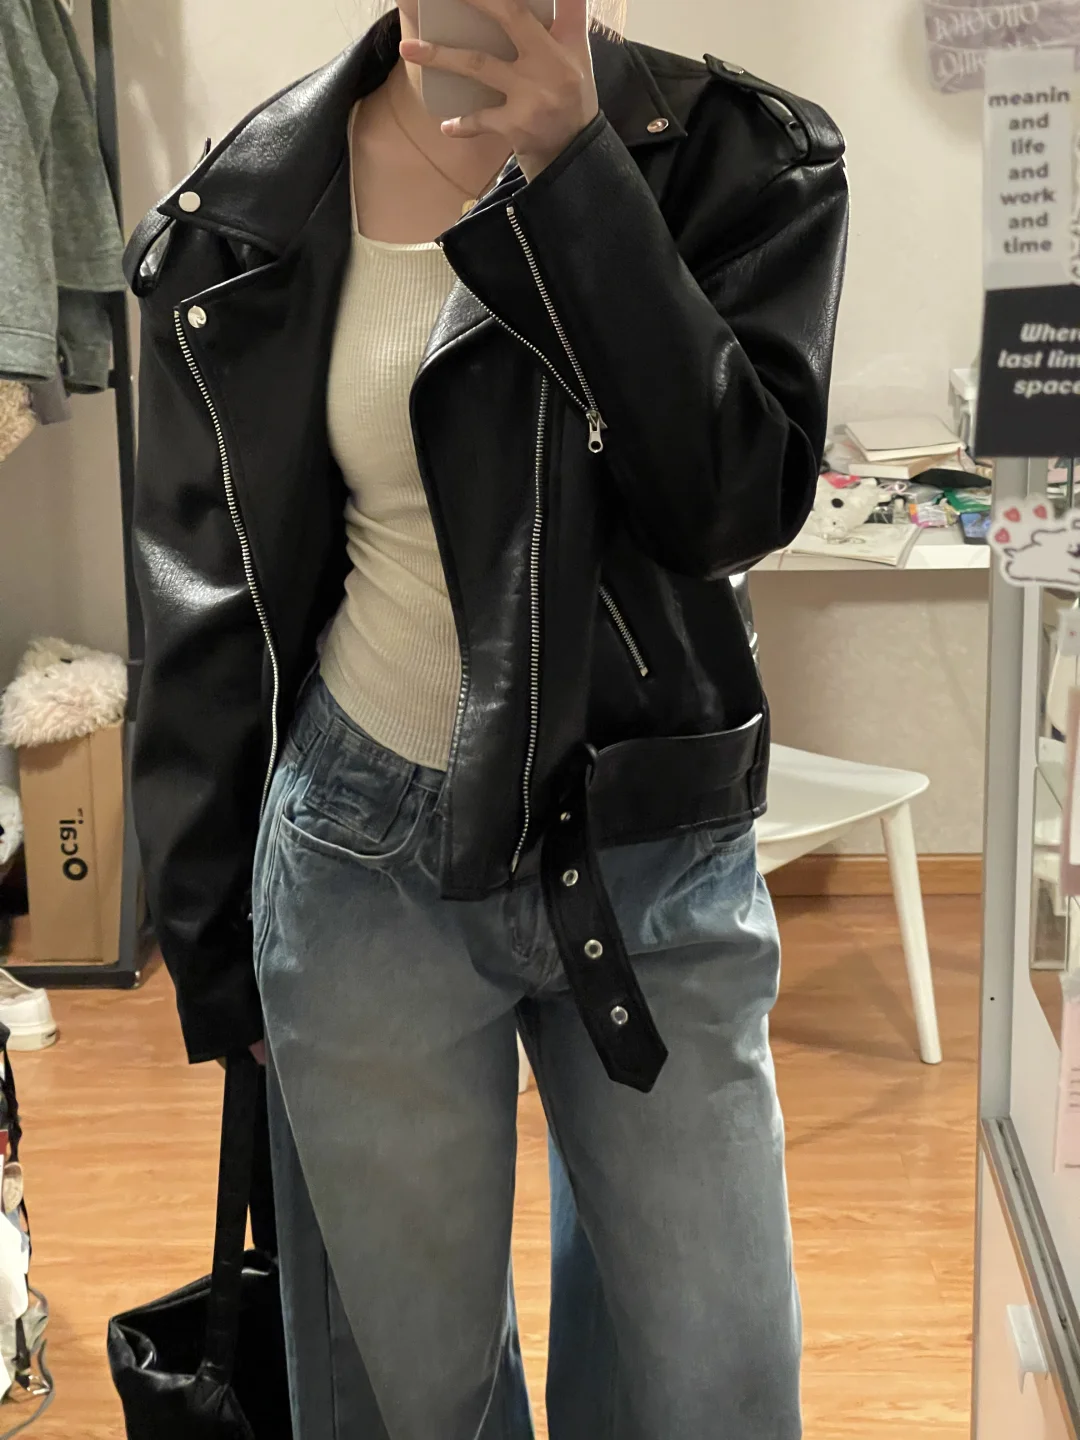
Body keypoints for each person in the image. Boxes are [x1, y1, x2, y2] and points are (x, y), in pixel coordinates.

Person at [124, 0, 848, 1435]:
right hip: (360, 860)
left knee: (714, 1391)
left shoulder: (739, 160)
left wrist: (582, 175)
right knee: (418, 1401)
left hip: (646, 846)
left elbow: (726, 504)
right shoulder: (248, 209)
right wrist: (214, 948)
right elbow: (203, 606)